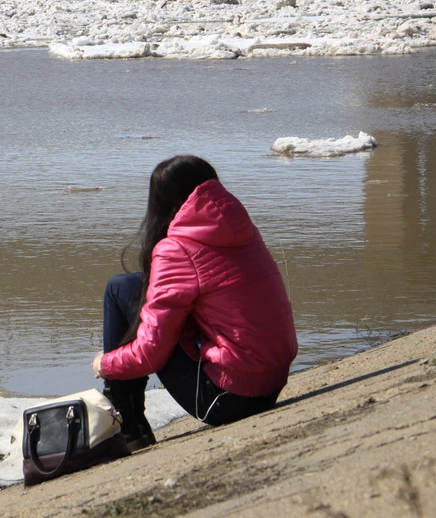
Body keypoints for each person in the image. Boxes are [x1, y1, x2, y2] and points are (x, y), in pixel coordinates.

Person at [92, 155, 297, 451]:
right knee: (131, 287)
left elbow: (152, 352)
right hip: (272, 382)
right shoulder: (243, 229)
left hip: (226, 397)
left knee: (118, 288)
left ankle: (126, 427)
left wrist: (107, 363)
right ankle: (129, 424)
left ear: (163, 202)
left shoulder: (175, 249)